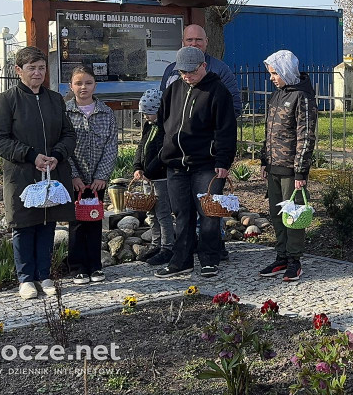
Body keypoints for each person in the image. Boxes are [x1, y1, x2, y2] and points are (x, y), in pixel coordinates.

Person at [0, 46, 76, 299]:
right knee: (25, 225)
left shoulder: (55, 99)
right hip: (22, 174)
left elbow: (69, 134)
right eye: (32, 68)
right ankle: (25, 279)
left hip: (52, 172)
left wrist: (57, 155)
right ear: (18, 71)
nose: (38, 73)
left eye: (41, 68)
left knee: (48, 223)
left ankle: (44, 275)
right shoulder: (7, 100)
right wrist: (30, 155)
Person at [153, 46, 237, 279]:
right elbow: (162, 122)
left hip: (207, 164)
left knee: (208, 214)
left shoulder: (218, 91)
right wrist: (162, 151)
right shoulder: (173, 89)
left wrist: (223, 160)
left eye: (192, 71)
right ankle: (182, 260)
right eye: (183, 72)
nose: (187, 76)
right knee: (182, 214)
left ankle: (210, 259)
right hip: (176, 163)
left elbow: (227, 129)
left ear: (204, 66)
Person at [257, 50, 318, 282]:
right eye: (271, 73)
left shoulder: (302, 98)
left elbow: (306, 136)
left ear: (285, 71)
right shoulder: (278, 95)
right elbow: (269, 131)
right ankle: (281, 256)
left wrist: (301, 171)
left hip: (292, 171)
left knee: (292, 216)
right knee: (276, 214)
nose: (272, 78)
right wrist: (265, 160)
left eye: (274, 73)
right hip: (274, 167)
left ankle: (294, 260)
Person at [64, 66, 118, 285]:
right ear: (71, 86)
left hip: (97, 180)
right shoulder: (64, 113)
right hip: (75, 178)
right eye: (78, 83)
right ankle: (77, 267)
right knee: (76, 222)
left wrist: (102, 176)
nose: (83, 87)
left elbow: (111, 146)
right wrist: (73, 176)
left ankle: (95, 265)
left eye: (87, 83)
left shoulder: (106, 113)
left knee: (94, 221)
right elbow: (63, 148)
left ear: (95, 85)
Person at [132, 88, 175, 267]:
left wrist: (149, 170)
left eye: (148, 113)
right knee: (151, 211)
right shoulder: (149, 126)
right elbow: (142, 146)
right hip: (148, 177)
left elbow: (163, 152)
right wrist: (138, 166)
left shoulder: (165, 126)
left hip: (160, 177)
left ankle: (167, 246)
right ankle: (156, 243)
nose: (145, 117)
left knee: (163, 212)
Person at [159, 24, 243, 116]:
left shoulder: (221, 70)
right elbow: (162, 103)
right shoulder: (171, 70)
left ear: (206, 41)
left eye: (198, 39)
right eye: (189, 39)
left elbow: (234, 107)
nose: (194, 43)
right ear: (183, 42)